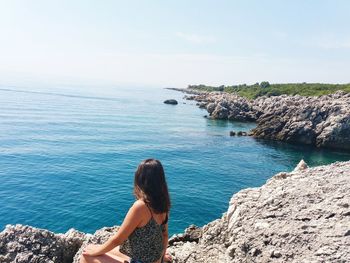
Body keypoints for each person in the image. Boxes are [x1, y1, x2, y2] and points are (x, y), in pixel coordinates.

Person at [80, 159, 172, 263]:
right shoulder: (164, 204)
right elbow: (165, 235)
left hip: (139, 261)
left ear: (140, 179)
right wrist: (161, 257)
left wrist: (94, 253)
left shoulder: (140, 207)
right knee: (95, 247)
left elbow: (118, 240)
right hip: (155, 259)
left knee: (85, 255)